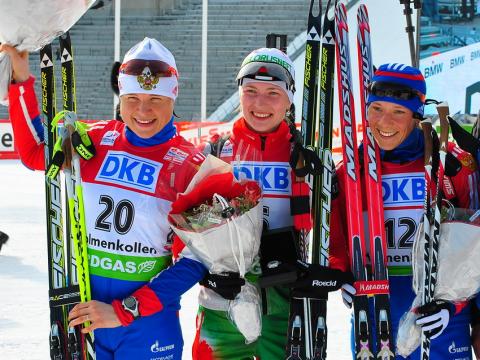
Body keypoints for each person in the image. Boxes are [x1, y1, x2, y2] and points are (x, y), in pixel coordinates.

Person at [1, 37, 207, 359]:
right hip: (83, 320)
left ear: (173, 97)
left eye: (155, 98)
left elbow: (197, 262)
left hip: (148, 327)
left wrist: (125, 310)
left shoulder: (191, 166)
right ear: (121, 96)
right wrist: (21, 78)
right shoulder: (94, 141)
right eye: (133, 97)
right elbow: (32, 152)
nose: (143, 110)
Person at [189, 47, 351, 360]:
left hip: (286, 302)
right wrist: (206, 275)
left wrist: (329, 272)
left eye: (272, 93)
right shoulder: (217, 151)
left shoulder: (307, 157)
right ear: (239, 93)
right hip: (223, 303)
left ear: (290, 98)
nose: (260, 103)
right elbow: (186, 231)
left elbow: (337, 229)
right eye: (250, 91)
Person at [330, 63, 478, 359]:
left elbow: (475, 249)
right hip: (373, 319)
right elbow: (338, 239)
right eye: (377, 108)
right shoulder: (350, 171)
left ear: (416, 115)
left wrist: (455, 305)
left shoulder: (453, 167)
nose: (385, 121)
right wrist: (341, 273)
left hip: (439, 322)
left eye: (398, 111)